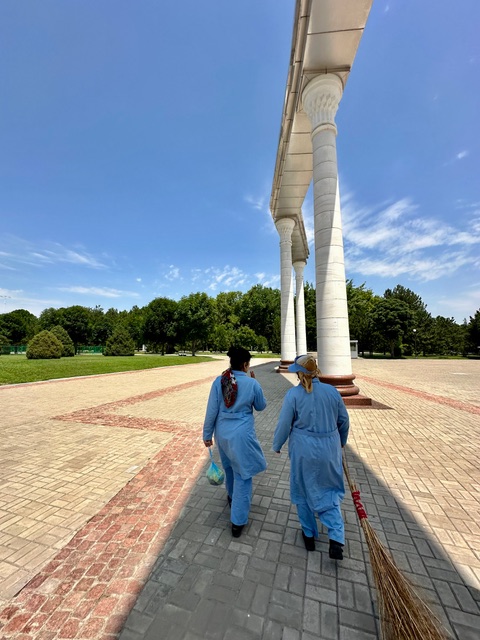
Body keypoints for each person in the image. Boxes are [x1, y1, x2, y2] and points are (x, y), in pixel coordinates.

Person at [272, 354, 349, 559]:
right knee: (330, 489)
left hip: (302, 449)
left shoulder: (294, 395)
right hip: (329, 448)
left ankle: (308, 534)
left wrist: (277, 445)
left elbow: (283, 424)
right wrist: (341, 441)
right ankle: (336, 537)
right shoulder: (332, 392)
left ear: (299, 373)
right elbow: (344, 421)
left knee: (302, 489)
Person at [203, 346, 267, 538]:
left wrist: (207, 435)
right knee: (243, 475)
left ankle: (231, 496)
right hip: (242, 434)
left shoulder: (219, 381)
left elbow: (211, 410)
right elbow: (261, 406)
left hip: (222, 432)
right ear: (246, 364)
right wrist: (256, 383)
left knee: (229, 467)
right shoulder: (251, 383)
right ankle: (237, 520)